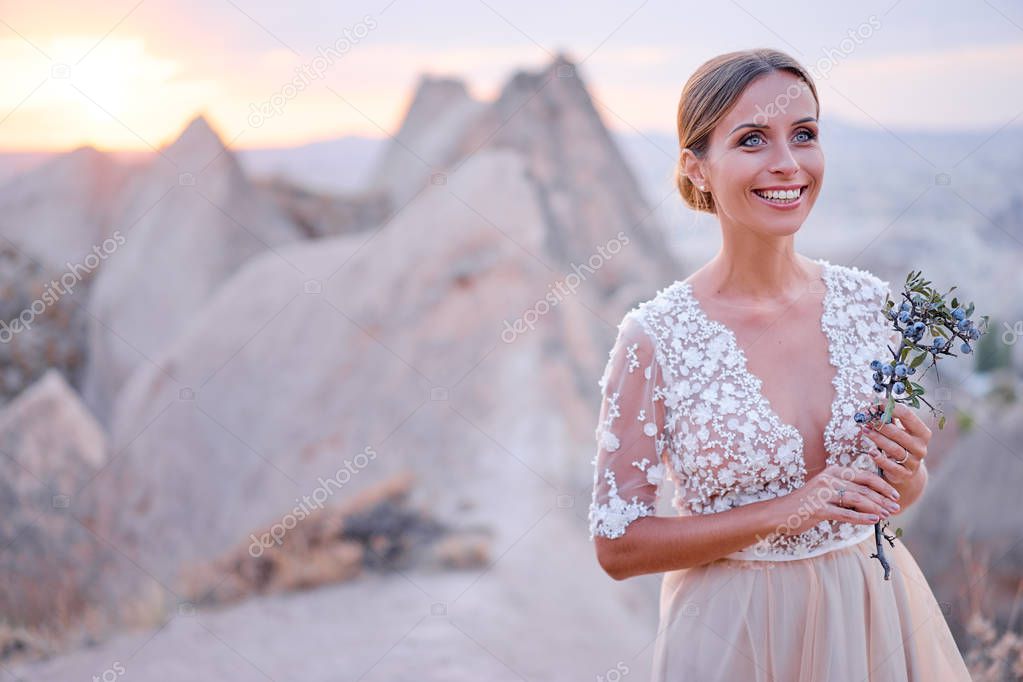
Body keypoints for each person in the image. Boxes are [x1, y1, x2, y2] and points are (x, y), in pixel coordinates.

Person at [587, 48, 972, 681]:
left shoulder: (870, 306)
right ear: (697, 168)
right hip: (732, 636)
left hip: (874, 615)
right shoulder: (655, 337)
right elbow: (617, 545)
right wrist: (785, 510)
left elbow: (895, 497)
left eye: (804, 135)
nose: (787, 164)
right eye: (752, 140)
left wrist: (906, 477)